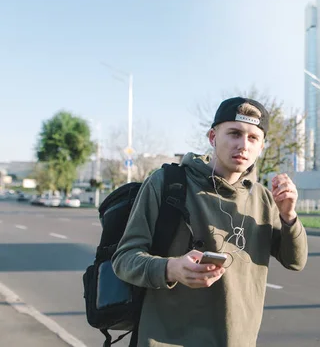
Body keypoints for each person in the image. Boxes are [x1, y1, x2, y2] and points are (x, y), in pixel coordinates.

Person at [112, 97, 308, 347]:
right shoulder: (167, 183)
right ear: (212, 137)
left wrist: (289, 216)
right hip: (165, 340)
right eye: (234, 134)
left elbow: (295, 261)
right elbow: (124, 259)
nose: (243, 145)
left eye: (253, 138)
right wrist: (171, 268)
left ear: (261, 146)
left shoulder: (264, 199)